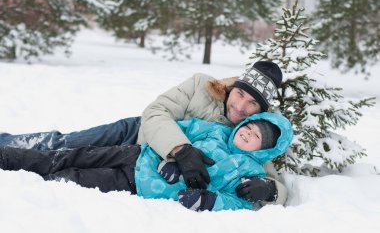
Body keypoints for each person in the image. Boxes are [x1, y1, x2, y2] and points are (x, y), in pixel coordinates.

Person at [0, 61, 286, 204]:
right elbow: (156, 111)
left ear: (260, 110)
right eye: (240, 95)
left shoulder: (250, 133)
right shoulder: (202, 86)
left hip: (142, 167)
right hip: (136, 134)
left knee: (77, 171)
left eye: (252, 104)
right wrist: (182, 150)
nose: (241, 106)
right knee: (64, 144)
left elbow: (272, 177)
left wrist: (272, 190)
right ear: (232, 86)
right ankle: (7, 146)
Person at [0, 112, 293, 212]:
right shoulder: (213, 130)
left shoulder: (251, 171)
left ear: (264, 151)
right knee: (70, 155)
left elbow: (238, 202)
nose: (246, 133)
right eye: (249, 126)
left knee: (76, 178)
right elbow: (168, 129)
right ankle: (11, 157)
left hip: (138, 184)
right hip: (137, 155)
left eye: (255, 136)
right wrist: (169, 155)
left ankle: (32, 186)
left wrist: (208, 201)